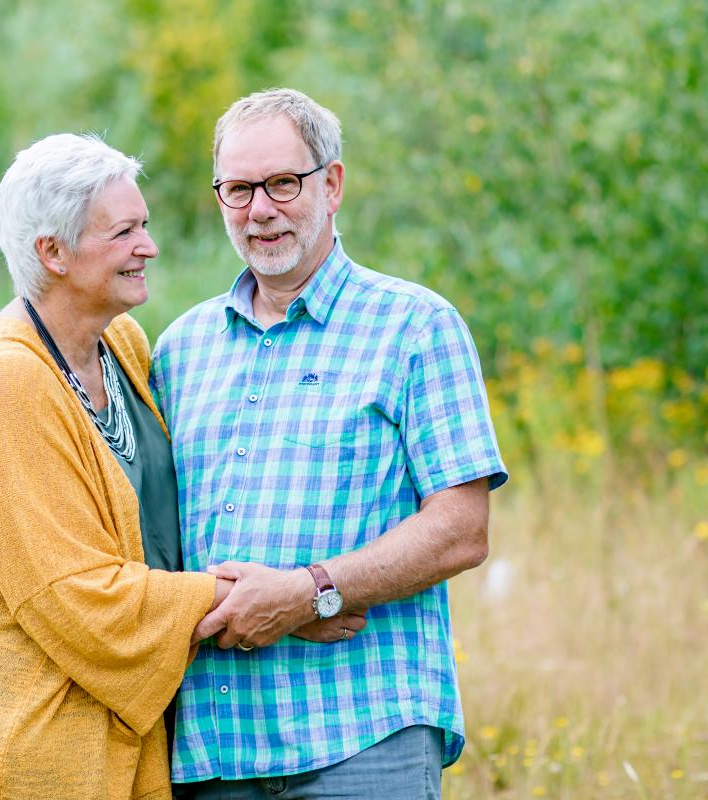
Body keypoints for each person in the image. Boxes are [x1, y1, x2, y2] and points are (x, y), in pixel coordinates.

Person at [149, 88, 509, 799]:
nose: (260, 210)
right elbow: (132, 532)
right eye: (238, 189)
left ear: (333, 184)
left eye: (284, 183)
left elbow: (461, 530)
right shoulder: (178, 349)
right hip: (213, 751)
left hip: (362, 741)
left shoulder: (415, 328)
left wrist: (310, 592)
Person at [0, 133, 237, 800]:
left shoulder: (120, 345)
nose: (149, 247)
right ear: (53, 252)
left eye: (146, 225)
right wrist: (262, 602)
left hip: (96, 722)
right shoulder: (6, 383)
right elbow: (77, 595)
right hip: (22, 749)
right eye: (124, 232)